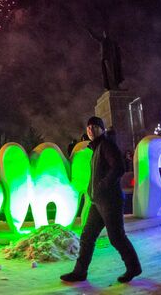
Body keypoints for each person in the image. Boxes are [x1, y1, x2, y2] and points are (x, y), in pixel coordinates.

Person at [61, 116, 141, 283]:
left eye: (94, 126)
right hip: (98, 202)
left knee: (116, 237)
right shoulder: (97, 148)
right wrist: (95, 191)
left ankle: (133, 267)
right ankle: (80, 272)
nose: (90, 129)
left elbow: (119, 167)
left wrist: (102, 186)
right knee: (87, 236)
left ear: (102, 129)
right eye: (88, 127)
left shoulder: (106, 145)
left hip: (110, 201)